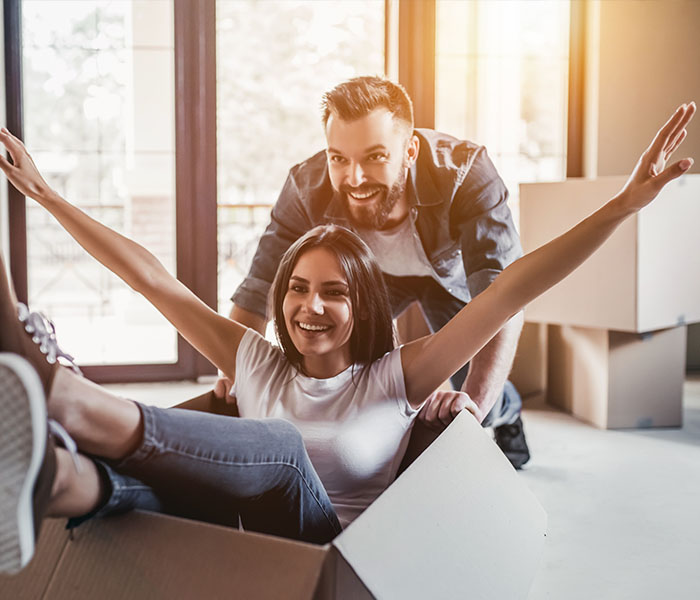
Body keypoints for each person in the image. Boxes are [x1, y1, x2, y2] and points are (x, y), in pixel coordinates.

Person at [0, 101, 695, 574]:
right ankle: (54, 479)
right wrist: (47, 196)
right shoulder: (256, 361)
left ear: (363, 305)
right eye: (298, 289)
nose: (310, 307)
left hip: (336, 556)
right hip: (254, 539)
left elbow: (516, 285)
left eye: (334, 291)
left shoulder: (400, 375)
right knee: (148, 487)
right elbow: (156, 281)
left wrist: (625, 204)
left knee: (277, 446)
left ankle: (65, 396)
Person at [223, 76, 529, 467]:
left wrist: (473, 413)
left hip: (448, 278)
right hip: (373, 279)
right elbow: (259, 287)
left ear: (410, 150)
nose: (355, 178)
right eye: (339, 158)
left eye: (375, 157)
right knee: (355, 361)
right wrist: (234, 374)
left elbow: (503, 297)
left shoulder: (467, 172)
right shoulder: (306, 187)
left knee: (475, 380)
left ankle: (509, 412)